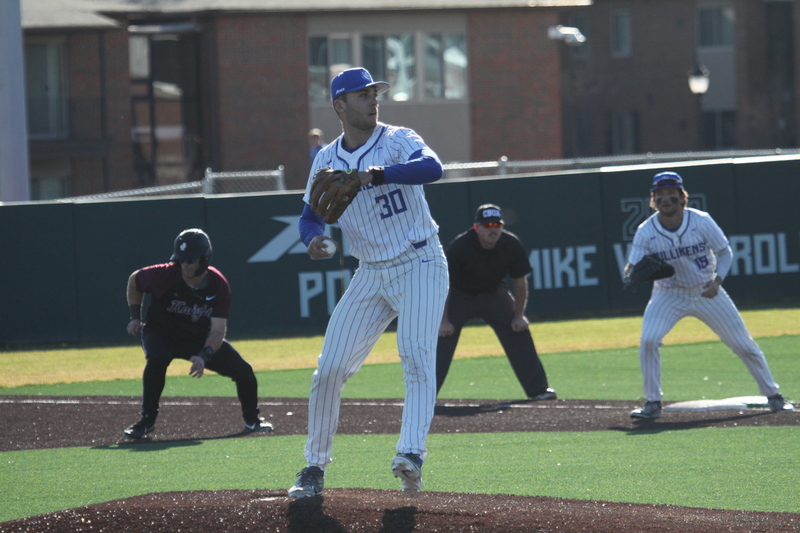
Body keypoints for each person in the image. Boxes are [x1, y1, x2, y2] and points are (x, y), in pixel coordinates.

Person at [289, 67, 448, 498]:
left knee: (415, 355)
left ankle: (411, 454)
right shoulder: (325, 159)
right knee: (329, 370)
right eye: (362, 95)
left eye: (374, 93)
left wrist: (374, 175)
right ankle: (313, 467)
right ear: (340, 106)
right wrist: (314, 239)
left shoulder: (397, 138)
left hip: (420, 260)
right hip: (370, 272)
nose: (372, 100)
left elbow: (433, 168)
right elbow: (308, 216)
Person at [625, 172, 794, 419]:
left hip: (706, 290)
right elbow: (631, 267)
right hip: (668, 293)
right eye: (659, 195)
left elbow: (724, 252)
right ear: (653, 200)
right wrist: (633, 273)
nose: (665, 199)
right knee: (649, 340)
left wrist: (717, 280)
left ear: (682, 197)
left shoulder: (701, 221)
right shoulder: (646, 231)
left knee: (743, 344)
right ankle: (652, 403)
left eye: (671, 193)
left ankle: (774, 396)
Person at [123, 228, 273, 438]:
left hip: (197, 338)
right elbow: (134, 280)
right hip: (161, 333)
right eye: (181, 260)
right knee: (157, 359)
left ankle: (252, 420)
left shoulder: (218, 284)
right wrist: (135, 316)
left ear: (204, 259)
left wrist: (204, 355)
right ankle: (146, 421)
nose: (185, 265)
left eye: (191, 260)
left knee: (244, 371)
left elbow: (218, 329)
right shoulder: (164, 274)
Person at [436, 204, 556, 401]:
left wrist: (519, 315)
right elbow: (444, 284)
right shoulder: (460, 246)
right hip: (459, 295)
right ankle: (426, 396)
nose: (493, 229)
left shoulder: (511, 244)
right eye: (488, 225)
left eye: (497, 225)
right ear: (477, 227)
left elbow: (519, 281)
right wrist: (443, 320)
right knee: (442, 338)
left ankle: (538, 390)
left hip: (493, 294)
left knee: (518, 330)